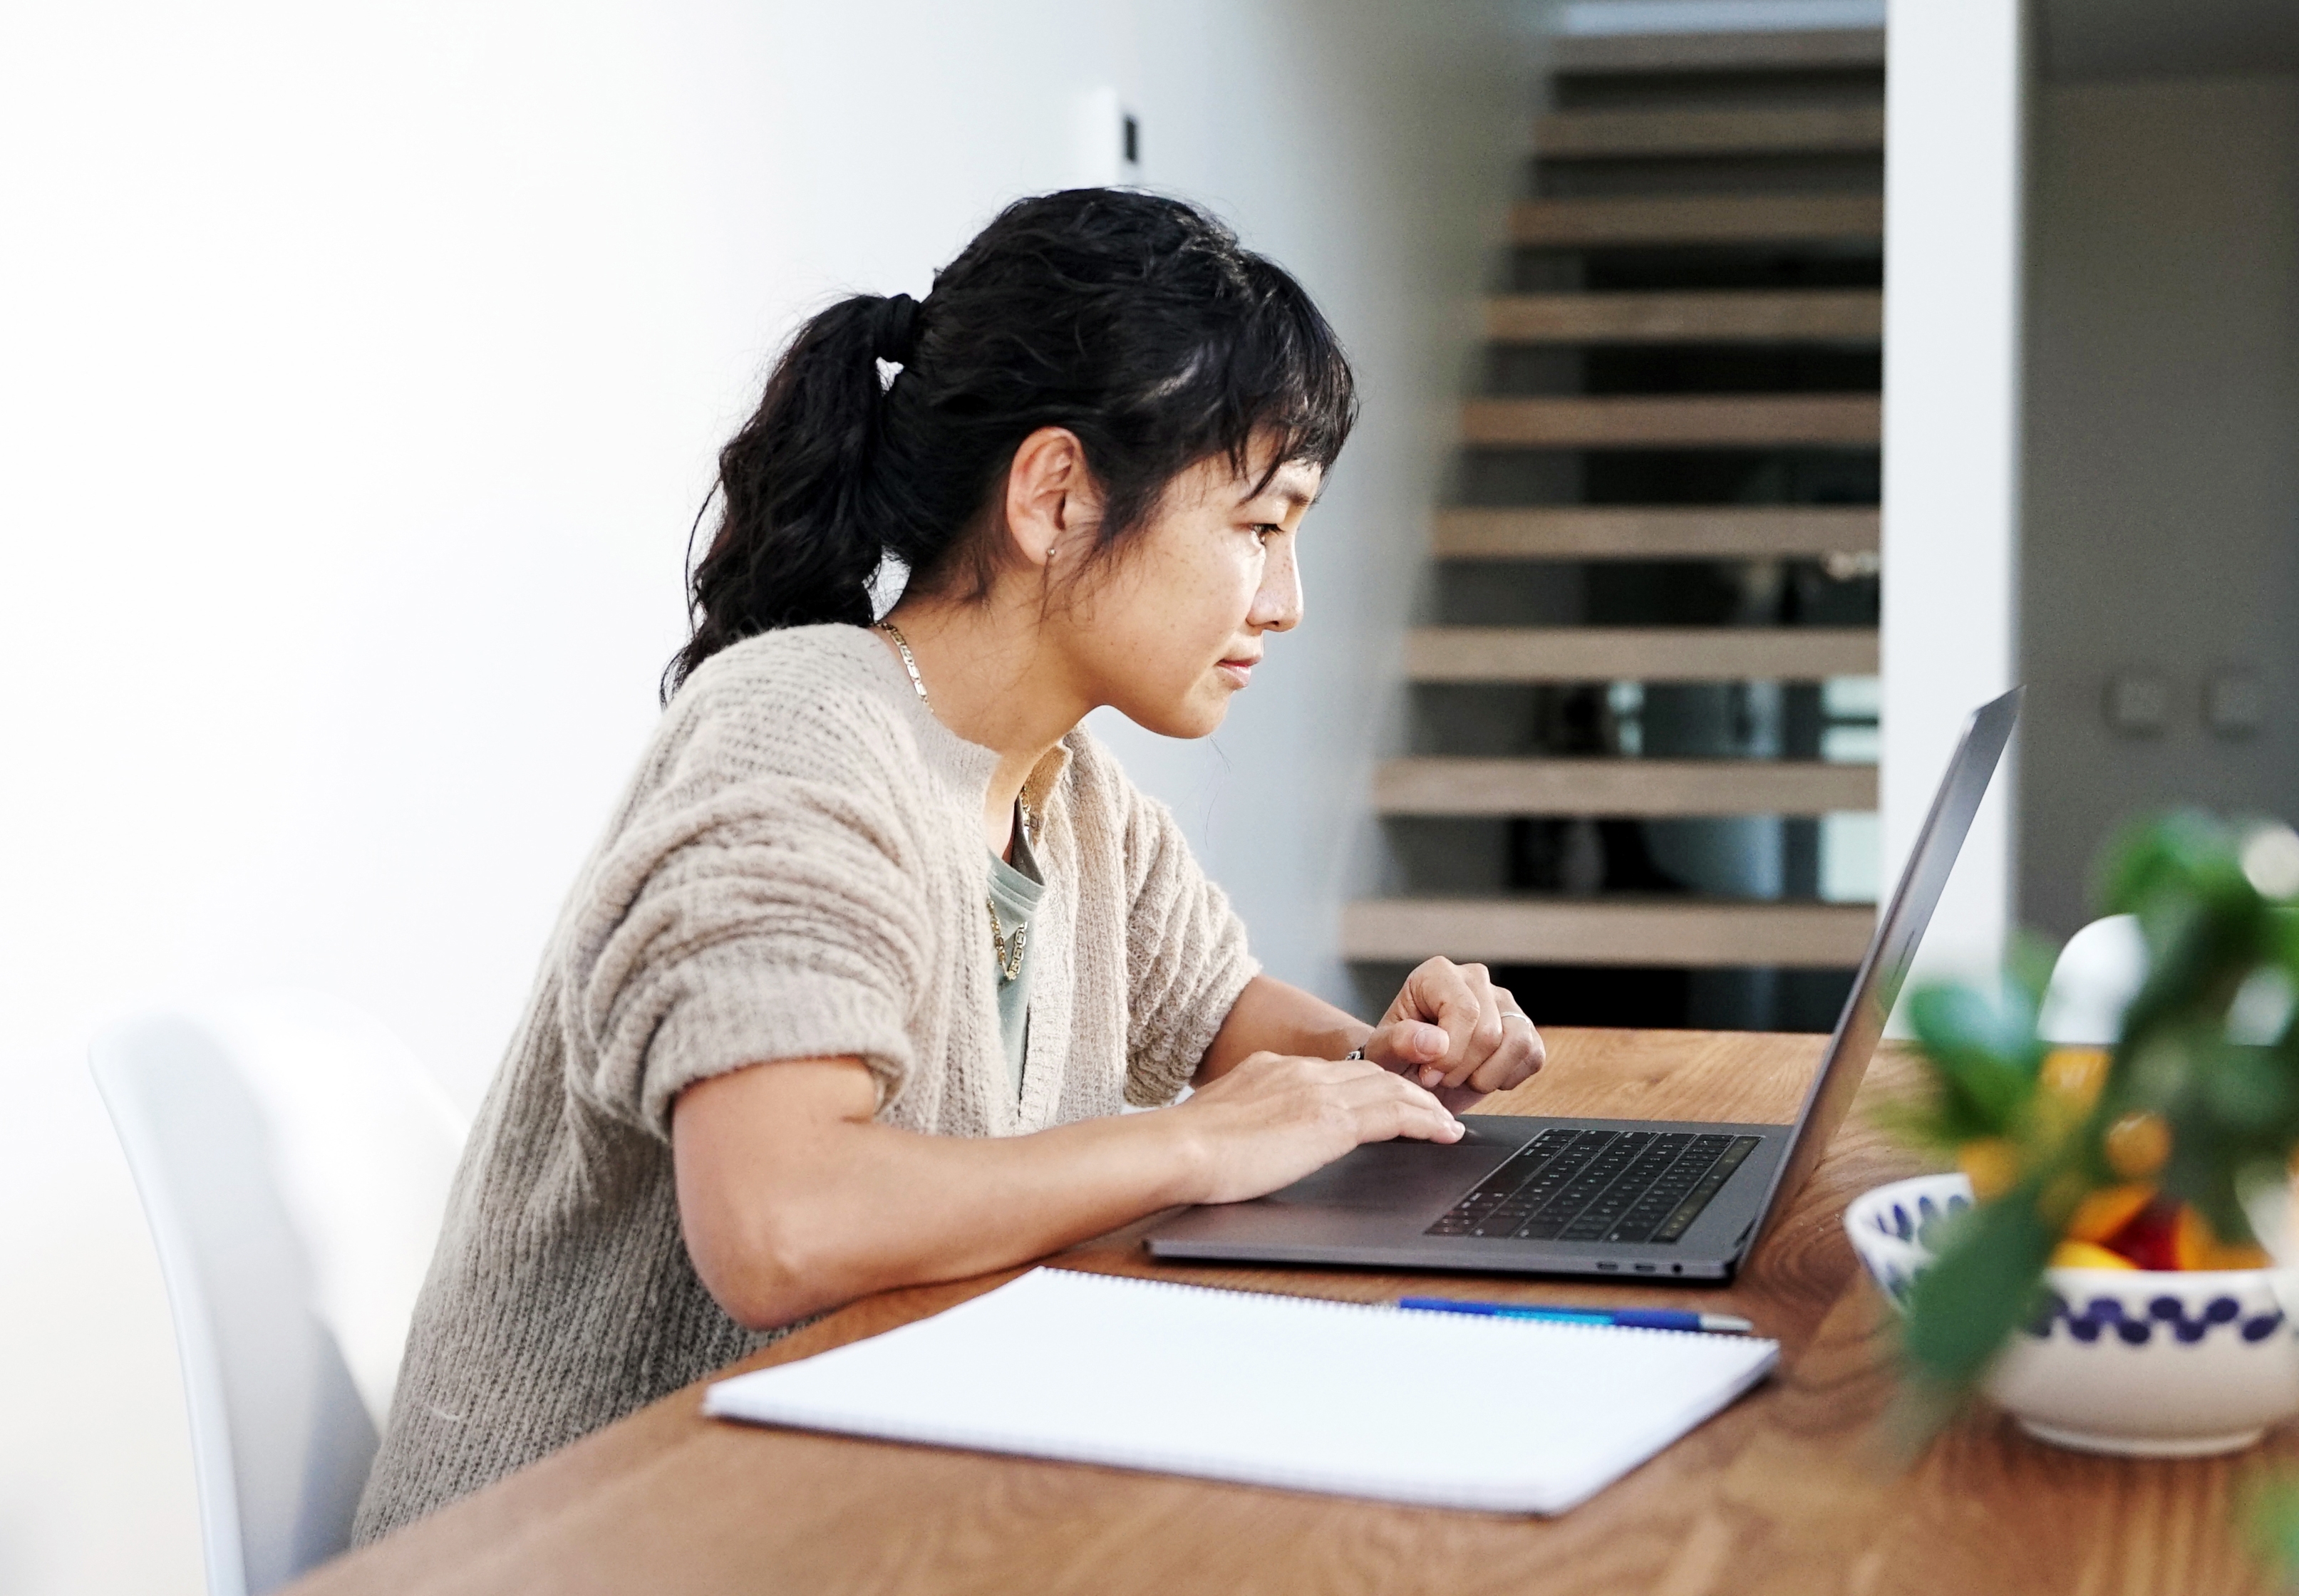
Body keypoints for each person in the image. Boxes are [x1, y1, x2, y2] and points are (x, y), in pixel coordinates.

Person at [353, 189, 1544, 1540]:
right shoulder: (798, 738)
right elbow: (783, 1221)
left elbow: (1224, 1020)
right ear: (1056, 494)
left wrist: (1392, 1064)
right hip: (579, 1545)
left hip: (854, 1515)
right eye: (1259, 528)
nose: (1287, 601)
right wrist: (1196, 1142)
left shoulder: (1070, 792)